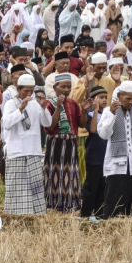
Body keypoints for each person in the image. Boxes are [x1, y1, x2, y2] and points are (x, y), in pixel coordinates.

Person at [2, 74, 53, 214]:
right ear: (18, 89)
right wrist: (20, 109)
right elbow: (6, 124)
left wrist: (43, 107)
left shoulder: (35, 104)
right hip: (16, 152)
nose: (29, 94)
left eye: (32, 91)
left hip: (34, 151)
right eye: (26, 91)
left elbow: (47, 123)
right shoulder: (10, 104)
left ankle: (36, 217)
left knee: (35, 189)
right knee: (16, 188)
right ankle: (14, 217)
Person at [97, 81, 132, 218]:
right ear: (119, 96)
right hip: (117, 166)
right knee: (114, 204)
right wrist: (112, 115)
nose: (131, 102)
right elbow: (103, 134)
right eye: (127, 98)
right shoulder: (108, 111)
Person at [44, 73, 82, 212]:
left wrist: (85, 110)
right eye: (63, 87)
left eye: (68, 87)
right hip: (56, 142)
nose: (66, 90)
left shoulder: (73, 103)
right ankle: (54, 205)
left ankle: (70, 204)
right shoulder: (50, 104)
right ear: (55, 87)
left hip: (71, 143)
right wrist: (58, 107)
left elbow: (81, 124)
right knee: (54, 172)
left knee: (70, 173)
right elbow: (50, 126)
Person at [81, 85, 108, 218]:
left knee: (103, 187)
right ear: (93, 100)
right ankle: (85, 213)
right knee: (91, 186)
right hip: (94, 155)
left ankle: (99, 214)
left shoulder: (109, 113)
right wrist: (96, 110)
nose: (104, 100)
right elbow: (93, 130)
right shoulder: (91, 115)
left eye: (105, 97)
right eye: (101, 97)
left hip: (106, 156)